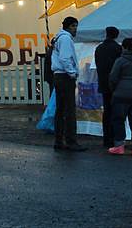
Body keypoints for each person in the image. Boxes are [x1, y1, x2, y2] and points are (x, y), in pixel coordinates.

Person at [51, 16, 86, 151]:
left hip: (58, 76)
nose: (75, 29)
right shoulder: (65, 39)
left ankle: (59, 140)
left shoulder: (59, 38)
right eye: (73, 26)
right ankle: (71, 141)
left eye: (76, 26)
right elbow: (65, 58)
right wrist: (72, 72)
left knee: (60, 109)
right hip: (65, 76)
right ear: (68, 27)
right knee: (69, 110)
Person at [93, 26, 122, 148]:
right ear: (116, 35)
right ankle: (115, 137)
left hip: (103, 83)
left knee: (107, 111)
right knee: (116, 111)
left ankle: (106, 138)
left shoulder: (99, 48)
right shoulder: (118, 48)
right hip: (116, 84)